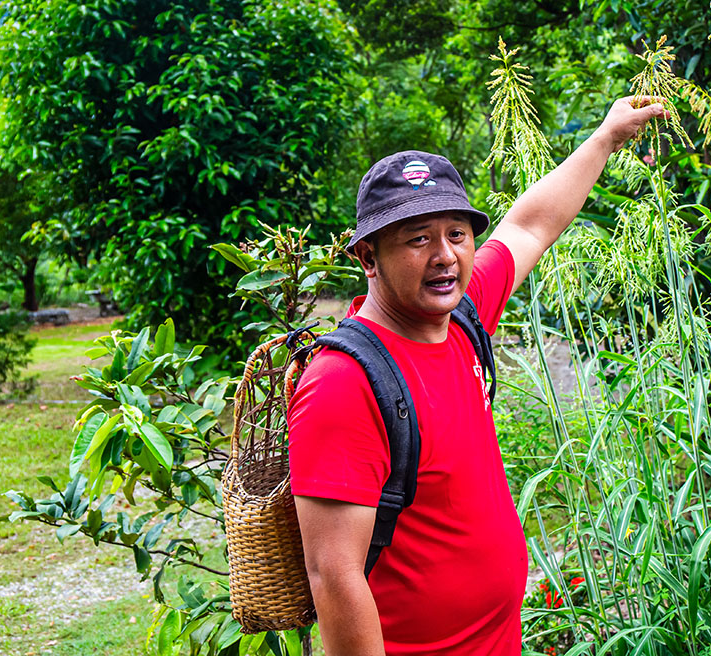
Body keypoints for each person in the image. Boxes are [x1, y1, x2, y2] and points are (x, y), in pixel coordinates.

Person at [287, 97, 669, 656]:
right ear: (369, 257)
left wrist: (605, 137)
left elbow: (530, 224)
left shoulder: (459, 318)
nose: (444, 256)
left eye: (456, 234)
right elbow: (333, 575)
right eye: (418, 239)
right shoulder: (344, 382)